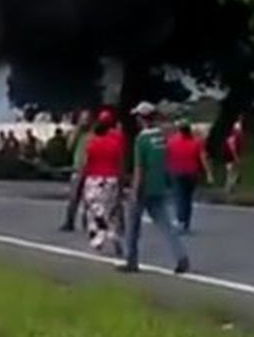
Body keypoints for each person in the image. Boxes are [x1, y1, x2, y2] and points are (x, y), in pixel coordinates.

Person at [119, 101, 189, 274]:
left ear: (141, 119)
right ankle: (181, 256)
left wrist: (134, 191)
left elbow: (139, 168)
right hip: (160, 185)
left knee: (133, 225)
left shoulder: (141, 140)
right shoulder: (162, 137)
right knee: (166, 224)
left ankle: (131, 260)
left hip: (144, 187)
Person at [81, 118, 125, 254]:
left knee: (93, 210)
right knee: (109, 210)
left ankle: (99, 237)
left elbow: (87, 163)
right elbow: (120, 164)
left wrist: (83, 178)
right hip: (111, 179)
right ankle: (113, 235)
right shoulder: (115, 144)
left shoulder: (92, 144)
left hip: (94, 179)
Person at [166, 119, 213, 233]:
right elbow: (203, 158)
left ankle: (181, 220)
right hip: (192, 173)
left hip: (176, 172)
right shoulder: (196, 142)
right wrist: (209, 173)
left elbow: (165, 156)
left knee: (179, 197)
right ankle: (185, 222)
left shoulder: (171, 141)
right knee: (187, 198)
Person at [60, 110, 94, 232]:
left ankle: (87, 223)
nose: (85, 121)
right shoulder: (77, 133)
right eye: (83, 118)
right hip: (77, 168)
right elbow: (69, 146)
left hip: (91, 169)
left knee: (89, 198)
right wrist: (77, 129)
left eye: (87, 118)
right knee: (73, 197)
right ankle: (69, 222)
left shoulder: (94, 133)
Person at [224, 118, 243, 195]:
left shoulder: (230, 136)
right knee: (232, 174)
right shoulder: (235, 137)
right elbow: (233, 148)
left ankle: (229, 188)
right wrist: (236, 157)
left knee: (230, 173)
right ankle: (230, 189)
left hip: (228, 158)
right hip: (232, 158)